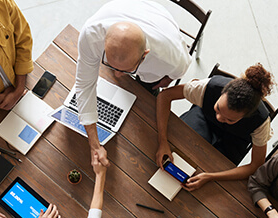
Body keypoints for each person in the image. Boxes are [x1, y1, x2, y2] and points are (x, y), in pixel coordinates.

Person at [76, 0, 192, 167]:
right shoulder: (90, 35)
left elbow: (177, 73)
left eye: (124, 70)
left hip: (158, 21)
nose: (117, 75)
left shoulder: (171, 59)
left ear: (145, 56)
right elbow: (84, 86)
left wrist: (167, 79)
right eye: (110, 64)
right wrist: (94, 144)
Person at [156, 63, 274, 191]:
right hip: (203, 119)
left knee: (212, 176)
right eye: (218, 108)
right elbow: (164, 96)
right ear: (222, 93)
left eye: (230, 119)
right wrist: (162, 141)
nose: (219, 118)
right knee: (179, 148)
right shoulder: (208, 87)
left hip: (234, 140)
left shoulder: (260, 122)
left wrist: (210, 177)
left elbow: (256, 165)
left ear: (246, 116)